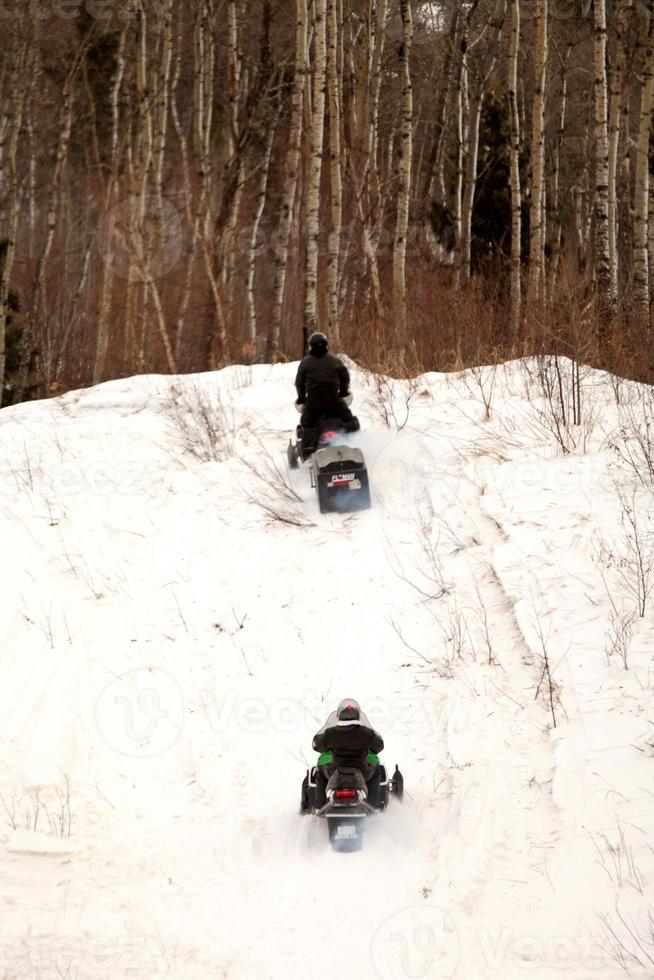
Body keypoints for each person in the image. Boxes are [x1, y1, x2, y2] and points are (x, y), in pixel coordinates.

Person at [312, 698, 384, 808]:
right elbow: (379, 747)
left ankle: (320, 805)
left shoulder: (330, 733)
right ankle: (373, 804)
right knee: (377, 771)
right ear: (358, 715)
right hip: (362, 772)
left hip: (335, 771)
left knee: (321, 772)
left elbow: (317, 746)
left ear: (339, 716)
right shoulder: (366, 733)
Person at [295, 332, 359, 453]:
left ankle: (308, 451)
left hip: (313, 402)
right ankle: (356, 444)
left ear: (310, 346)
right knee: (348, 419)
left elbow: (299, 383)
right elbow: (345, 377)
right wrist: (344, 392)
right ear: (326, 345)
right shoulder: (335, 361)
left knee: (307, 424)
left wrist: (301, 398)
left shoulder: (305, 363)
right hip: (333, 400)